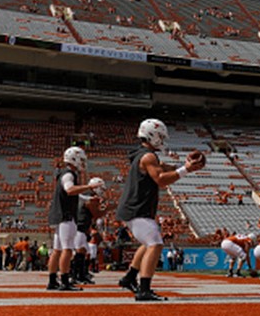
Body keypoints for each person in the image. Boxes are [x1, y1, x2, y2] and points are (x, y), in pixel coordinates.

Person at [115, 118, 206, 301]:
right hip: (137, 208)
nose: (163, 140)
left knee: (147, 243)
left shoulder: (143, 154)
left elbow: (163, 167)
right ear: (153, 136)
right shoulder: (148, 156)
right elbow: (161, 179)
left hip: (135, 208)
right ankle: (144, 289)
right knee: (155, 244)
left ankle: (129, 277)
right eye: (161, 137)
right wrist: (186, 170)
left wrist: (186, 165)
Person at [46, 146, 102, 291]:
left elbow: (72, 193)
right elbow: (70, 190)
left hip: (59, 215)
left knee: (57, 250)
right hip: (66, 215)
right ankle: (64, 280)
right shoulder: (69, 174)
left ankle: (52, 280)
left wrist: (88, 197)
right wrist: (88, 186)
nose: (82, 163)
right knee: (67, 249)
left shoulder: (63, 174)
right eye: (81, 160)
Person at [72, 176, 106, 285]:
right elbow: (96, 214)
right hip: (80, 227)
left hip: (82, 227)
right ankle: (75, 275)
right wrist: (110, 208)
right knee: (79, 251)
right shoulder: (90, 198)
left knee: (83, 252)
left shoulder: (87, 197)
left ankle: (81, 274)